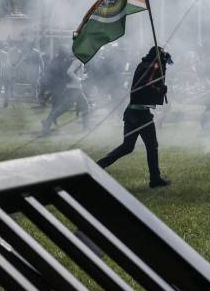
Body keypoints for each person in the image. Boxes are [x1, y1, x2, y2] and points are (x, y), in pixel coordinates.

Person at [97, 47, 172, 188]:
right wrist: (160, 89)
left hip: (131, 112)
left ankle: (100, 164)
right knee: (152, 146)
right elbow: (148, 85)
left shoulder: (143, 65)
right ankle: (155, 179)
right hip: (141, 114)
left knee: (127, 146)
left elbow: (150, 82)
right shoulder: (152, 66)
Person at [42, 55, 90, 133]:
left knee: (83, 106)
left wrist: (83, 77)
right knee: (66, 107)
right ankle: (47, 122)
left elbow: (76, 74)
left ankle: (85, 128)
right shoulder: (78, 61)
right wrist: (78, 79)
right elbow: (69, 72)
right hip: (74, 89)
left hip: (75, 88)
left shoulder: (77, 61)